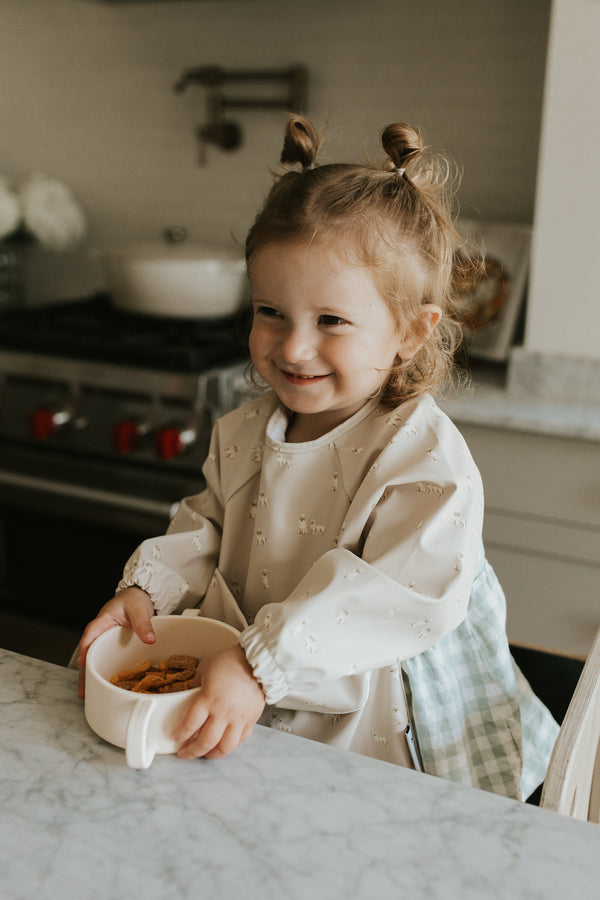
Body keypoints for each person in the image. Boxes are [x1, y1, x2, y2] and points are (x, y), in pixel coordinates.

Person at [77, 116, 558, 800]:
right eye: (271, 311)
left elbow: (395, 598)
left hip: (365, 723)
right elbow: (204, 525)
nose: (293, 347)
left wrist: (259, 664)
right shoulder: (244, 430)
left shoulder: (423, 459)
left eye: (331, 320)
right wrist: (147, 591)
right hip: (250, 683)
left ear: (409, 331)